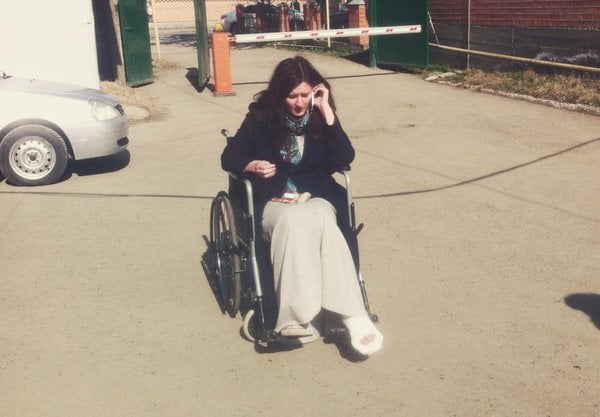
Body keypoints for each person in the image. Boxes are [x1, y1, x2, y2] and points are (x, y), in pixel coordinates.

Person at [221, 56, 383, 357]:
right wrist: (253, 165)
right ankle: (298, 318)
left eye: (305, 95)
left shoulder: (321, 115)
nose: (298, 102)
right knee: (298, 221)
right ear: (279, 94)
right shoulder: (260, 119)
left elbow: (344, 158)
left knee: (322, 214)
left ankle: (352, 315)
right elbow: (229, 157)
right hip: (273, 201)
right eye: (292, 95)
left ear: (315, 92)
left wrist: (327, 111)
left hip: (315, 198)